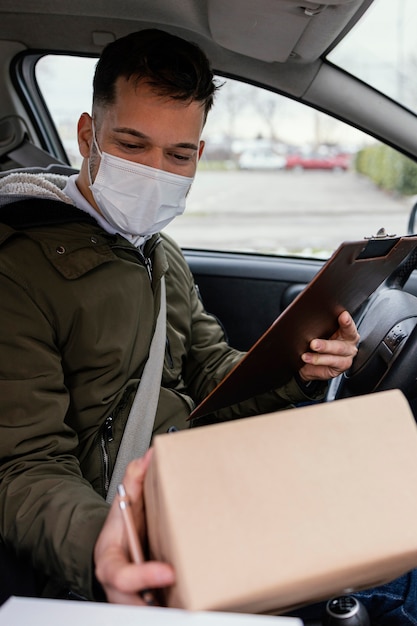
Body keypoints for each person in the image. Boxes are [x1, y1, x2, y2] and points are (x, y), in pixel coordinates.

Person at [0, 27, 401, 622]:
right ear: (89, 135)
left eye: (178, 154)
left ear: (198, 154)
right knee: (381, 587)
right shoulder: (17, 268)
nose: (155, 170)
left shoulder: (159, 251)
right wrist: (103, 545)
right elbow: (24, 464)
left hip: (199, 482)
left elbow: (210, 374)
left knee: (390, 513)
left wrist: (303, 365)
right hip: (125, 527)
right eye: (132, 145)